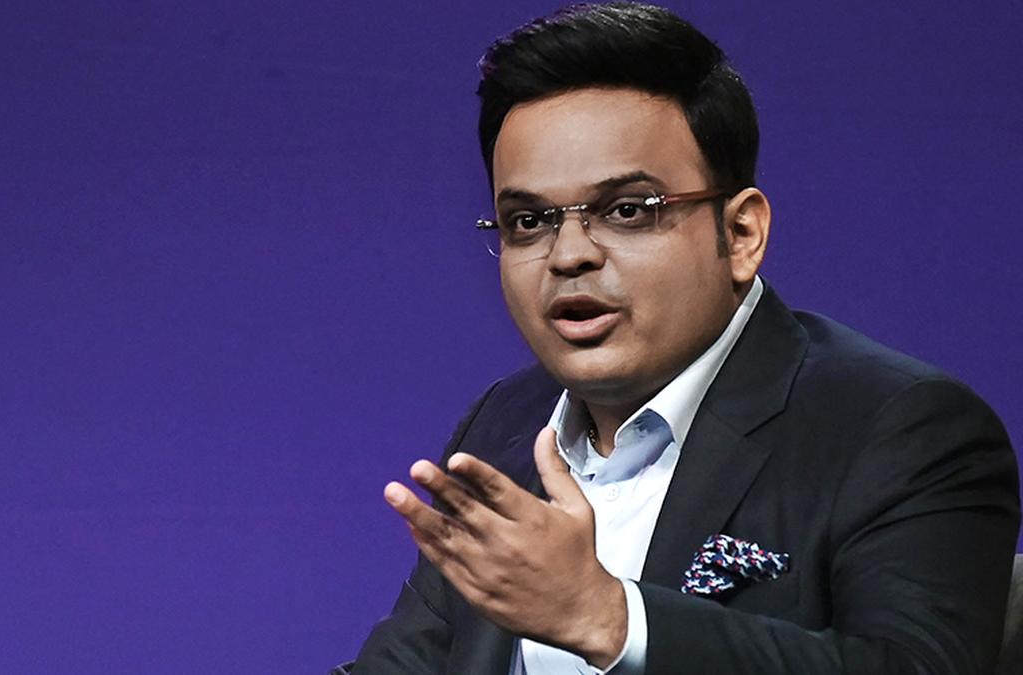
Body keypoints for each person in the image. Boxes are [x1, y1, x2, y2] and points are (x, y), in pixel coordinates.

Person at [341, 2, 1020, 673]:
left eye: (626, 210)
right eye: (529, 221)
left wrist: (609, 618)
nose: (568, 254)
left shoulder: (900, 430)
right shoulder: (506, 424)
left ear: (741, 233)